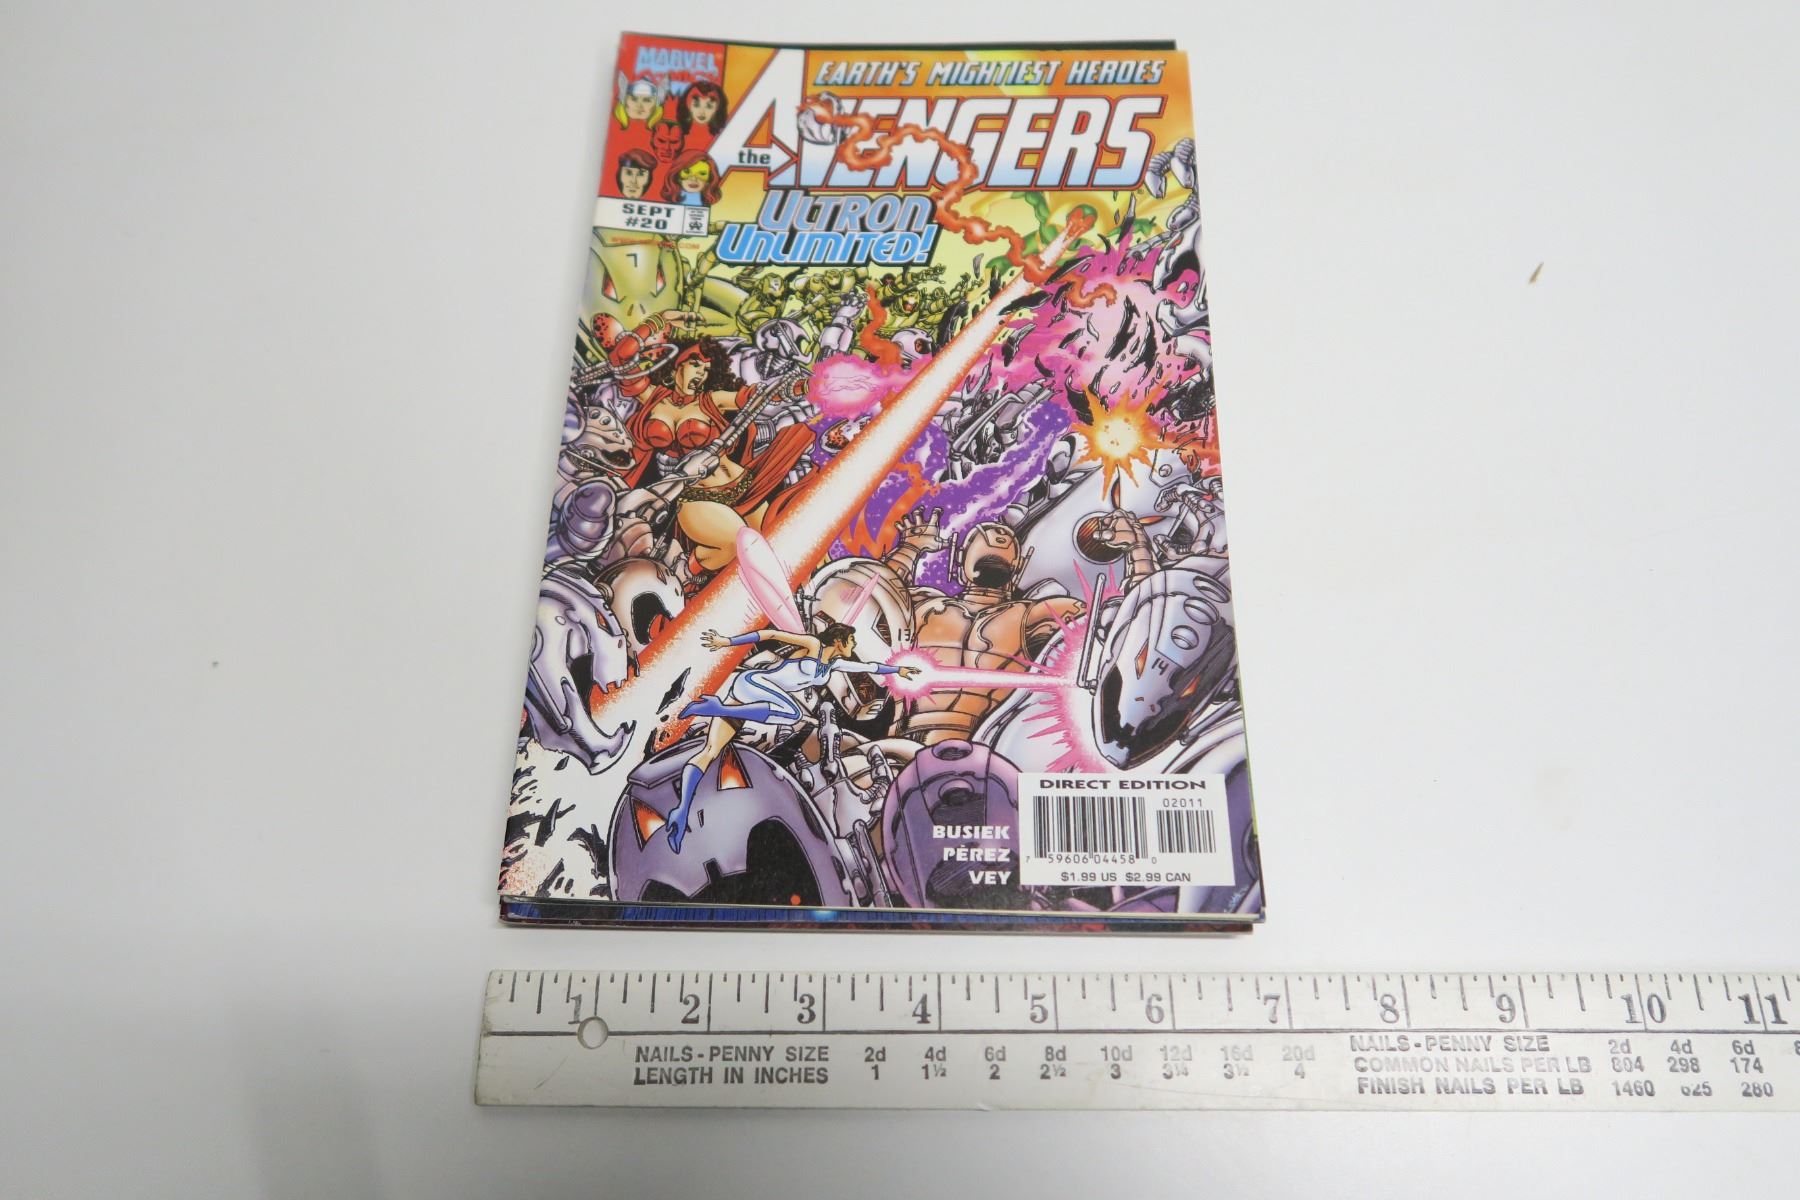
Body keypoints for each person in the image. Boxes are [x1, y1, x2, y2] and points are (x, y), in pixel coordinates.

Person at [664, 623, 919, 851]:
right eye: (851, 641)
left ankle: (681, 811)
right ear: (839, 640)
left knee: (710, 751)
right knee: (792, 713)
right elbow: (771, 634)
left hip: (755, 701)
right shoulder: (813, 645)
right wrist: (726, 641)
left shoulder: (834, 665)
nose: (853, 646)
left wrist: (898, 670)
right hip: (754, 683)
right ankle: (718, 709)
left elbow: (870, 667)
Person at [623, 337, 813, 573]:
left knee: (775, 550)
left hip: (744, 488)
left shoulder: (710, 400)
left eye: (705, 370)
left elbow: (754, 397)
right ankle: (684, 576)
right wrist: (652, 326)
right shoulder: (651, 398)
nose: (700, 374)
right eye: (696, 365)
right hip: (695, 495)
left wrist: (801, 387)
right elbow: (624, 365)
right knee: (736, 543)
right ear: (676, 364)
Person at [676, 79, 728, 153]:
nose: (702, 112)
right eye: (696, 105)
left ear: (718, 109)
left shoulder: (721, 137)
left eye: (709, 106)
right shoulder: (677, 135)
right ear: (688, 105)